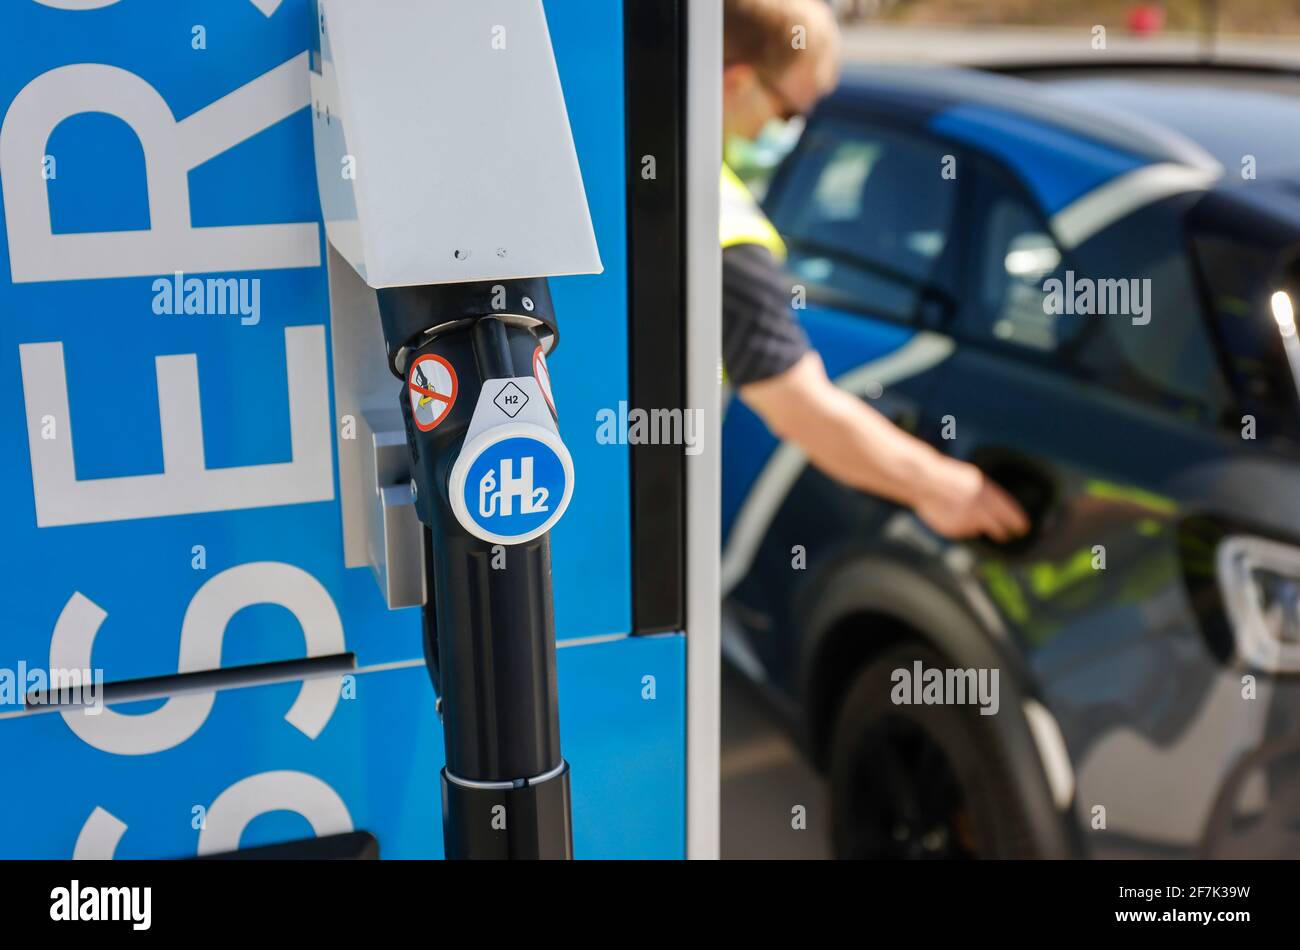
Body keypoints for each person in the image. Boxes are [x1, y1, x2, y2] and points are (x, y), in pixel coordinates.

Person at [721, 0, 1029, 542]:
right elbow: (799, 408)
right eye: (791, 113)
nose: (791, 134)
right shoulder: (721, 228)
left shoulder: (632, 160)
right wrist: (943, 487)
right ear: (737, 82)